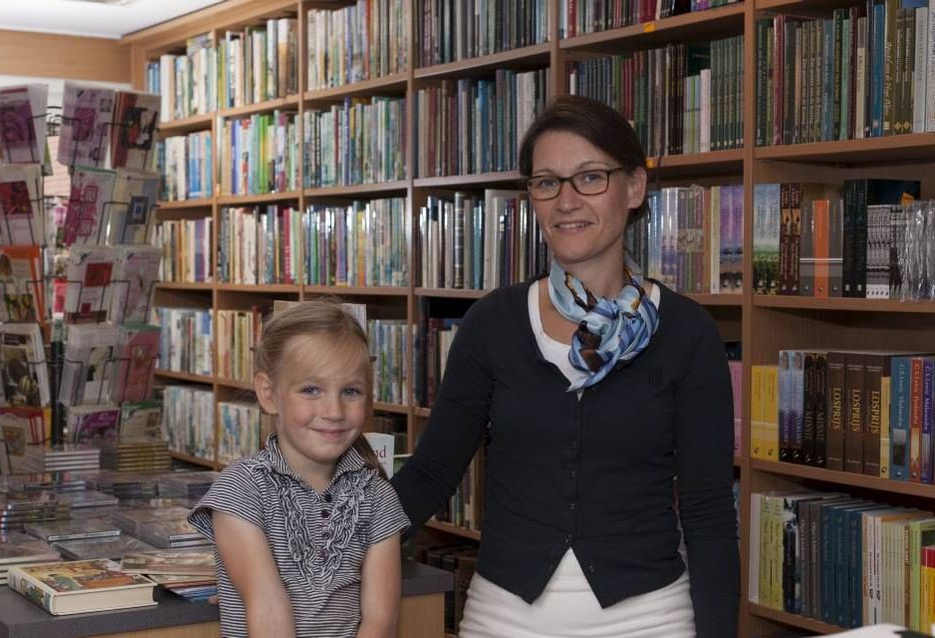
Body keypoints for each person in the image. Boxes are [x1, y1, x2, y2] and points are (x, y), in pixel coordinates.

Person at [391, 95, 739, 638]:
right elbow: (431, 475)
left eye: (591, 177)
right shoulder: (492, 323)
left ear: (635, 188)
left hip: (651, 621)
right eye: (547, 182)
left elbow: (709, 512)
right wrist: (322, 537)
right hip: (502, 619)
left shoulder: (688, 333)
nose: (567, 200)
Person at [189, 299, 409, 638]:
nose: (334, 410)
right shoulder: (241, 490)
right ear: (269, 394)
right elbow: (268, 610)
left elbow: (381, 622)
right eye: (311, 390)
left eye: (351, 391)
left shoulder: (378, 495)